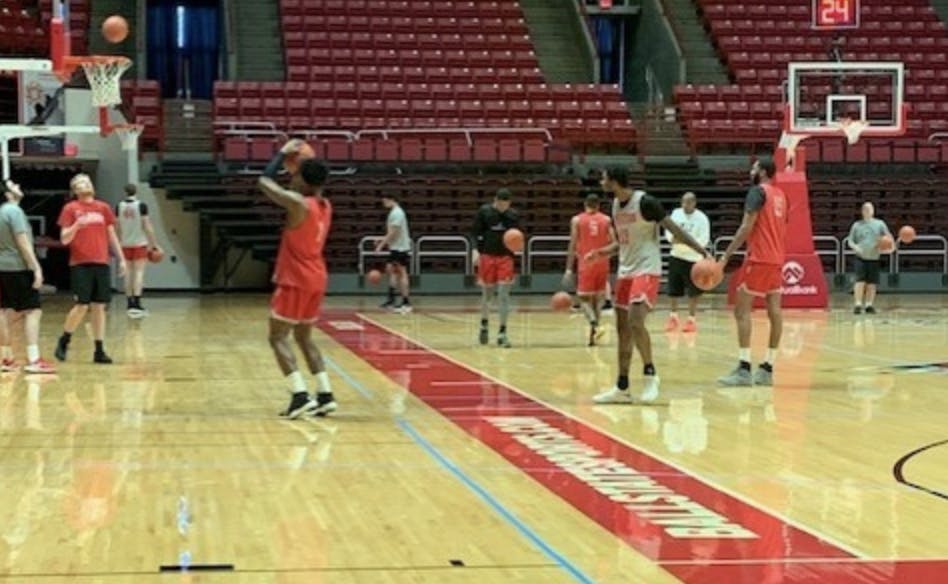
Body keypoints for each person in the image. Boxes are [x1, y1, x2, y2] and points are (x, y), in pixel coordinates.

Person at [589, 167, 709, 403]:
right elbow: (623, 243)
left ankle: (650, 375)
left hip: (647, 268)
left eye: (604, 179)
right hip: (625, 270)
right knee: (623, 329)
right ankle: (622, 387)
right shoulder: (615, 205)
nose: (601, 182)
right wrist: (601, 252)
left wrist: (701, 251)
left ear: (614, 181)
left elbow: (674, 229)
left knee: (636, 321)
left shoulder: (645, 202)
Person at [258, 139, 337, 419]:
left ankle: (300, 395)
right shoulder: (326, 205)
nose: (291, 178)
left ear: (303, 180)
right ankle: (325, 395)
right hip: (317, 276)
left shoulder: (297, 204)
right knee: (304, 338)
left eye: (295, 175)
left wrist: (281, 153)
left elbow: (264, 181)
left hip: (295, 279)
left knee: (277, 337)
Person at [717, 157, 788, 387]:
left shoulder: (757, 192)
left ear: (763, 172)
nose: (751, 171)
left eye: (754, 168)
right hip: (777, 259)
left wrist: (726, 255)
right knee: (775, 311)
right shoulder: (781, 195)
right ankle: (767, 368)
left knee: (742, 311)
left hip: (759, 258)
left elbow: (746, 227)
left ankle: (744, 368)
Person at [55, 174, 126, 364]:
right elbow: (64, 239)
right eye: (80, 183)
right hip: (80, 263)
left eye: (87, 182)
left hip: (101, 261)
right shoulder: (70, 208)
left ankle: (99, 350)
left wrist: (121, 259)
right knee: (81, 305)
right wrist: (76, 225)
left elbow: (111, 235)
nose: (85, 185)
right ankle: (64, 339)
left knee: (99, 307)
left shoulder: (103, 208)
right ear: (75, 190)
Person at [0, 180, 55, 373]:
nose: (17, 185)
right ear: (8, 194)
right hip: (18, 267)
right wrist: (36, 268)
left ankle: (6, 358)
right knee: (33, 310)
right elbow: (23, 243)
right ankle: (33, 359)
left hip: (2, 268)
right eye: (13, 185)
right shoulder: (14, 211)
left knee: (5, 311)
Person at [564, 193, 616, 346]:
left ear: (585, 204)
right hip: (602, 262)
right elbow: (615, 243)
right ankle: (594, 336)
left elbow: (573, 244)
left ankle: (594, 324)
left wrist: (568, 269)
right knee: (598, 300)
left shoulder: (577, 220)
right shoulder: (606, 219)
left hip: (586, 262)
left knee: (584, 299)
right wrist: (605, 254)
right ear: (598, 205)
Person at [471, 189, 519, 348]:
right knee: (487, 295)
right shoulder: (484, 212)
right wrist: (475, 251)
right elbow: (474, 233)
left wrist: (517, 247)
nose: (503, 207)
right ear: (495, 201)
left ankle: (502, 332)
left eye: (506, 205)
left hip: (506, 258)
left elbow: (517, 237)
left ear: (509, 203)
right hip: (487, 256)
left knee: (504, 295)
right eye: (500, 204)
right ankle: (484, 324)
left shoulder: (513, 215)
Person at [665, 192, 711, 333]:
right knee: (673, 290)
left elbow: (703, 239)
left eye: (688, 202)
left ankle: (691, 319)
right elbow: (669, 233)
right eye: (683, 202)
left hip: (693, 260)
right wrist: (675, 240)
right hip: (676, 255)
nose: (685, 205)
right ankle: (673, 317)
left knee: (694, 291)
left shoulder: (702, 218)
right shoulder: (676, 214)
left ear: (694, 203)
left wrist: (687, 244)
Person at [115, 183, 160, 318]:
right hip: (139, 243)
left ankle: (129, 303)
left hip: (125, 243)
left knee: (128, 273)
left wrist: (118, 242)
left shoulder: (119, 206)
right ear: (136, 192)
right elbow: (147, 226)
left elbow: (117, 227)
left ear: (125, 192)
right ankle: (137, 302)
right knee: (139, 273)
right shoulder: (141, 206)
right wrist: (154, 244)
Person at [847, 201, 892, 315]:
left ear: (873, 211)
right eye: (865, 209)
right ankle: (858, 304)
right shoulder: (856, 225)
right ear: (862, 211)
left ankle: (869, 305)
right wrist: (856, 247)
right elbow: (850, 240)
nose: (867, 211)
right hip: (860, 257)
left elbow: (888, 238)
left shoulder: (880, 224)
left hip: (874, 257)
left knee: (872, 283)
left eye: (869, 209)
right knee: (859, 281)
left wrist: (890, 247)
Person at [375, 194, 412, 313]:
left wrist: (381, 244)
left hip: (400, 249)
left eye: (385, 201)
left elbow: (393, 233)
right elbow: (392, 233)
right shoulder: (394, 212)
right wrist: (381, 240)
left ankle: (406, 303)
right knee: (391, 270)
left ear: (391, 200)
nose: (384, 203)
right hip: (396, 247)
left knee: (401, 273)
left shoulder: (397, 213)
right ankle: (391, 300)